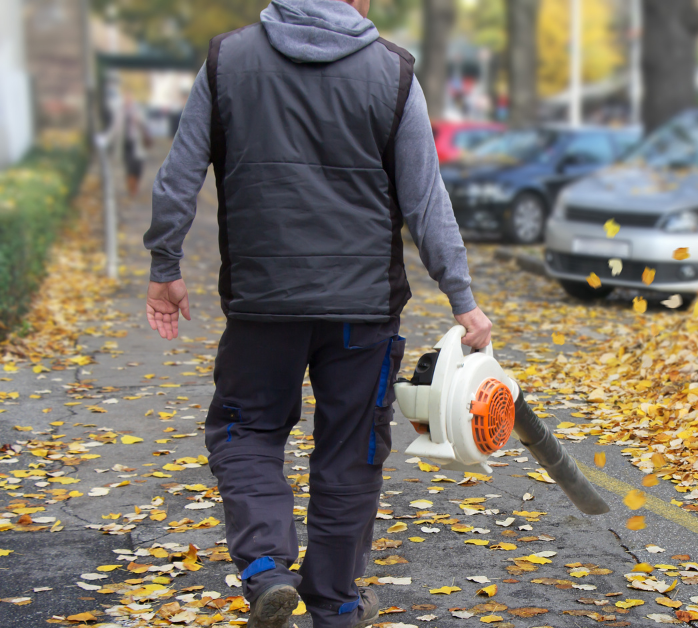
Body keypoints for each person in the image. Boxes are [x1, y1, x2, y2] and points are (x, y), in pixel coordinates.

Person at [141, 1, 492, 627]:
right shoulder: (393, 71)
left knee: (245, 436)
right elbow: (425, 198)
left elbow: (179, 175)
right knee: (350, 453)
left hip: (262, 303)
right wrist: (462, 298)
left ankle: (268, 570)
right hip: (363, 310)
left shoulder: (228, 60)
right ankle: (335, 606)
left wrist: (165, 266)